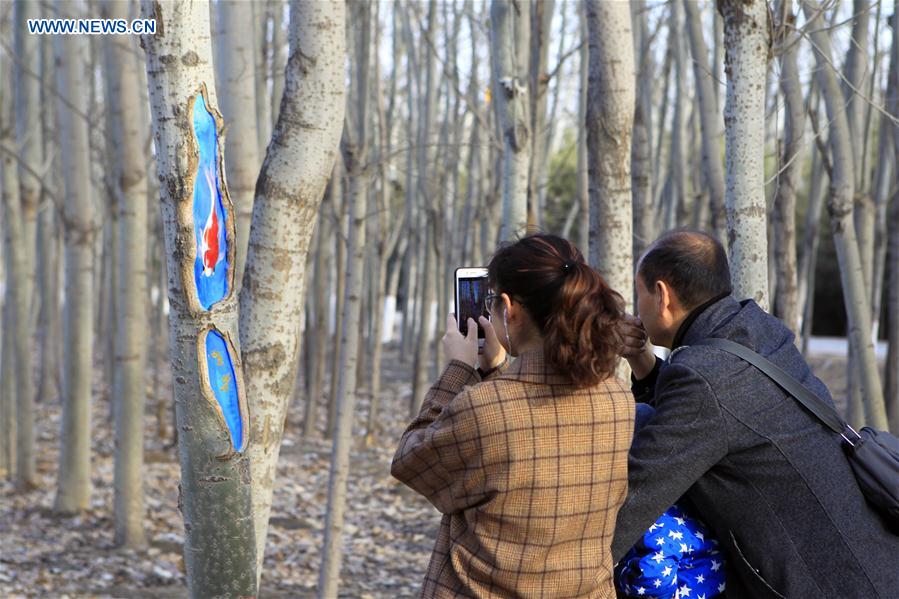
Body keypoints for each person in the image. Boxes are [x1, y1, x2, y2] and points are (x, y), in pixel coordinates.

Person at [613, 230, 899, 598]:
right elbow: (701, 415)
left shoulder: (705, 378)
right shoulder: (754, 331)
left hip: (829, 585)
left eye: (640, 294)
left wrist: (555, 573)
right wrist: (640, 359)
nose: (639, 309)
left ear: (663, 295)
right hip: (876, 562)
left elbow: (637, 494)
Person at [392, 233, 635, 598]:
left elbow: (410, 460)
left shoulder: (483, 408)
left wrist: (459, 368)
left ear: (509, 308)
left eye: (491, 303)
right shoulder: (618, 399)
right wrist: (496, 369)